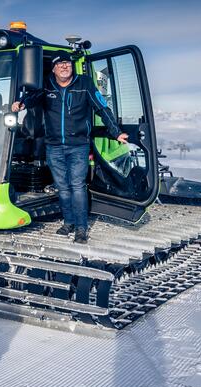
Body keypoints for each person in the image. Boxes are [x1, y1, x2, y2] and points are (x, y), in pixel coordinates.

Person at [12, 51, 128, 243]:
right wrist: (22, 104)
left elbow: (101, 107)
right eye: (60, 64)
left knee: (77, 186)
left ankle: (81, 228)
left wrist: (116, 132)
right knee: (62, 188)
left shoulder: (85, 84)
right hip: (54, 146)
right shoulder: (47, 84)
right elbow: (32, 97)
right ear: (54, 68)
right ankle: (69, 222)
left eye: (67, 63)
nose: (64, 67)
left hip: (78, 146)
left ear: (71, 66)